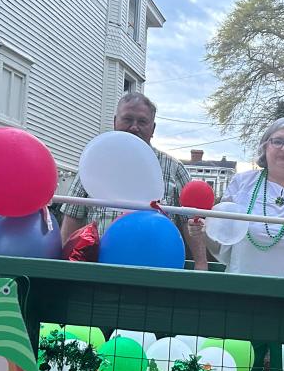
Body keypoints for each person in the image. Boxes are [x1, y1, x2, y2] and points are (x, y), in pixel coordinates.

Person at [191, 117, 284, 371]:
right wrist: (202, 232)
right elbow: (223, 242)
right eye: (278, 141)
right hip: (242, 300)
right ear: (266, 146)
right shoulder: (241, 184)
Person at [59, 92, 207, 269]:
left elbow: (191, 223)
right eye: (127, 119)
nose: (134, 127)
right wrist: (62, 265)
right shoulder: (95, 162)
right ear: (115, 122)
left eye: (142, 121)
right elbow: (72, 216)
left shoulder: (174, 168)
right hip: (99, 270)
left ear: (153, 129)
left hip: (158, 272)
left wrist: (200, 264)